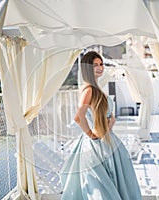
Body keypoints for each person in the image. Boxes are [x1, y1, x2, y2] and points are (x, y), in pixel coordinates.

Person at [61, 51, 141, 200]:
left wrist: (111, 121)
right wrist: (91, 134)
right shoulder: (89, 90)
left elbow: (99, 114)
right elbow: (78, 117)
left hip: (106, 140)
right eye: (95, 65)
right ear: (87, 68)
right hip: (97, 144)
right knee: (101, 188)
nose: (99, 67)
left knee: (110, 183)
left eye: (101, 64)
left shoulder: (94, 88)